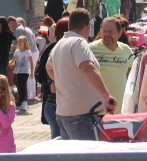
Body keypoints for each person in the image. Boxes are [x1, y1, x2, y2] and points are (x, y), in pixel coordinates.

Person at [46, 8, 117, 141]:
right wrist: (106, 95)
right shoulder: (79, 42)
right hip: (81, 116)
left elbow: (48, 68)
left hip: (65, 113)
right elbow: (88, 68)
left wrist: (61, 80)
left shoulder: (59, 44)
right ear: (88, 26)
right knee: (87, 159)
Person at [34, 18, 68, 139]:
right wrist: (52, 82)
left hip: (59, 104)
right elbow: (39, 73)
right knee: (58, 142)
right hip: (54, 103)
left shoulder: (57, 47)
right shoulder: (54, 47)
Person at [89, 16, 133, 103]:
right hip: (97, 107)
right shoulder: (91, 49)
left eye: (110, 31)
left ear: (119, 33)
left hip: (120, 107)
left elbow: (129, 74)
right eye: (104, 31)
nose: (107, 34)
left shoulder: (126, 50)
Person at [12, 35, 34, 113]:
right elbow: (13, 60)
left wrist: (32, 72)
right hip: (17, 71)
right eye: (18, 41)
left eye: (21, 41)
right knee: (18, 86)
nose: (19, 43)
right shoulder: (17, 51)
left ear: (24, 43)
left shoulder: (27, 52)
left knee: (23, 86)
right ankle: (21, 100)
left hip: (24, 72)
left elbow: (31, 63)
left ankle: (24, 101)